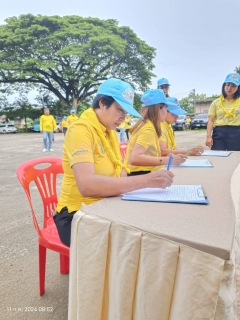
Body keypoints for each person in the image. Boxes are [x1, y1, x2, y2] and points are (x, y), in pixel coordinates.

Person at [54, 78, 174, 247]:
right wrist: (147, 180)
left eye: (125, 113)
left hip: (105, 205)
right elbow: (87, 185)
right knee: (136, 242)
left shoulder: (109, 132)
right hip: (76, 215)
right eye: (120, 110)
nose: (122, 118)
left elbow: (121, 172)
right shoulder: (80, 130)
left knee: (154, 224)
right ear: (103, 103)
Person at [124, 89, 186, 176]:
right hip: (139, 174)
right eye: (166, 107)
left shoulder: (146, 124)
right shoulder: (148, 129)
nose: (166, 111)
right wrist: (167, 160)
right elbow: (134, 158)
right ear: (159, 108)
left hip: (143, 171)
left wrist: (167, 157)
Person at [206, 73, 240, 151]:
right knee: (217, 157)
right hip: (219, 132)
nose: (229, 88)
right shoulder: (216, 102)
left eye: (233, 86)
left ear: (238, 88)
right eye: (227, 85)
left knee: (235, 158)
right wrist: (208, 137)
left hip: (236, 133)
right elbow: (211, 120)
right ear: (224, 85)